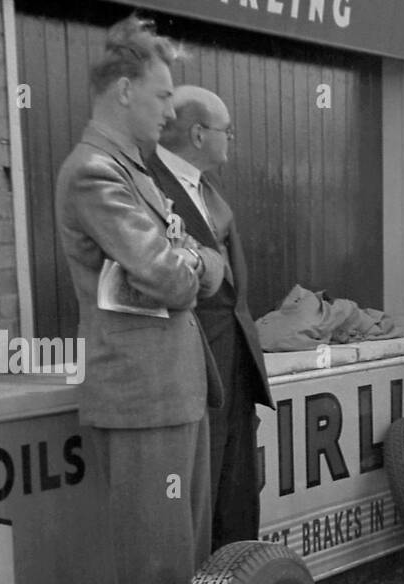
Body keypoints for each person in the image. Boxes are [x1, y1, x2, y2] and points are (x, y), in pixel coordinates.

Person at [55, 16, 226, 584]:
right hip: (141, 395)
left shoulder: (131, 173)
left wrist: (189, 265)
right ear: (124, 92)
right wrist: (190, 266)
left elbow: (197, 264)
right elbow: (173, 273)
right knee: (156, 564)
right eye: (160, 97)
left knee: (183, 554)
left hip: (171, 386)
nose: (169, 111)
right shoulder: (96, 173)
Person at [146, 86, 274, 550]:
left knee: (237, 500)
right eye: (227, 131)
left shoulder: (206, 190)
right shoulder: (149, 186)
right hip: (192, 373)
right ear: (199, 134)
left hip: (233, 370)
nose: (231, 140)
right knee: (199, 508)